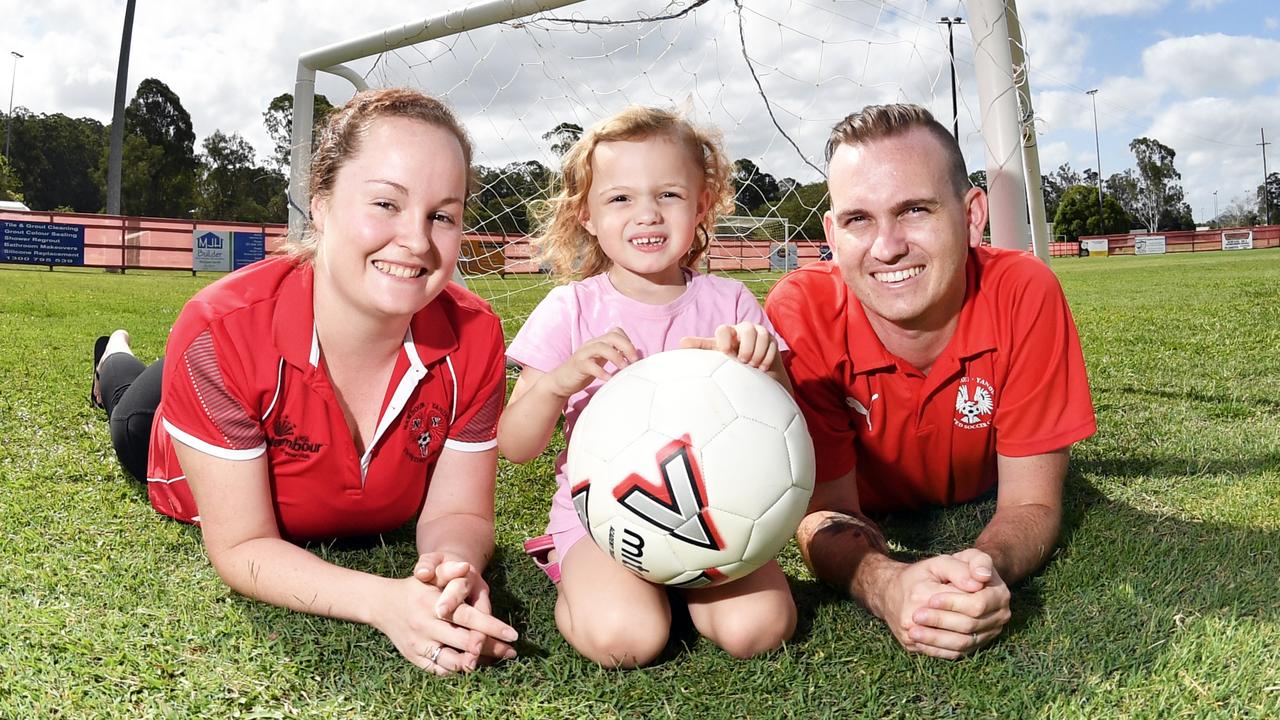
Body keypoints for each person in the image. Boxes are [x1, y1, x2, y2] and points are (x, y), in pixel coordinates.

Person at [89, 88, 518, 676]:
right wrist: (385, 602)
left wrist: (451, 574)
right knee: (127, 404)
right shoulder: (220, 337)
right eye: (387, 203)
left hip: (237, 359)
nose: (417, 240)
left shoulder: (476, 337)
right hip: (167, 421)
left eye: (441, 214)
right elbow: (242, 548)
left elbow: (460, 516)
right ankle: (113, 356)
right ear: (320, 203)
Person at [764, 104, 1096, 660]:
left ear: (972, 215)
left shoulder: (1024, 293)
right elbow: (824, 511)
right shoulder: (802, 311)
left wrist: (977, 572)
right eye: (858, 219)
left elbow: (1031, 505)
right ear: (831, 232)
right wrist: (886, 583)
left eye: (914, 210)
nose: (886, 247)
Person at [498, 107, 797, 668]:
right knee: (626, 640)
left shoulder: (730, 303)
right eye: (620, 199)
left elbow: (785, 429)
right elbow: (515, 446)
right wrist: (560, 383)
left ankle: (681, 583)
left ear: (702, 205)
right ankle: (581, 578)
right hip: (605, 521)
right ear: (585, 214)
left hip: (722, 517)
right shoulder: (570, 308)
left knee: (758, 630)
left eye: (668, 194)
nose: (647, 215)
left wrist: (767, 369)